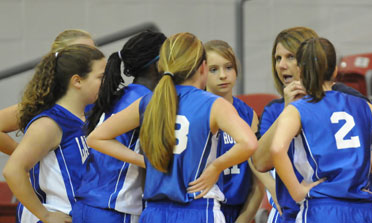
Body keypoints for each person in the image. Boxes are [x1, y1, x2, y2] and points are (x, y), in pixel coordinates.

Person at [87, 32, 258, 222]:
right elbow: (249, 143)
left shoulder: (149, 101)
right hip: (199, 209)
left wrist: (143, 160)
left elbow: (95, 138)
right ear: (203, 67)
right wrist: (216, 167)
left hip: (153, 213)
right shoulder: (213, 104)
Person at [252, 26, 372, 223]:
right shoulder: (275, 109)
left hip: (338, 205)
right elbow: (260, 162)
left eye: (290, 57)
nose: (282, 65)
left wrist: (339, 165)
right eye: (278, 59)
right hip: (292, 211)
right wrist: (288, 108)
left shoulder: (348, 99)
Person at [2, 44, 105, 223]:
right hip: (58, 213)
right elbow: (12, 170)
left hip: (81, 214)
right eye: (100, 77)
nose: (105, 83)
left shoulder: (89, 115)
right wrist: (45, 215)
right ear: (77, 81)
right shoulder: (49, 123)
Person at [72, 31, 166, 223]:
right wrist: (148, 162)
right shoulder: (147, 102)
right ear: (159, 64)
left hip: (85, 206)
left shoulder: (119, 95)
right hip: (114, 208)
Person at [0, 29, 96, 155]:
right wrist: (24, 159)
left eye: (94, 52)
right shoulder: (46, 102)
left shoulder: (97, 96)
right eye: (83, 53)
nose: (93, 58)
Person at [204, 39, 264, 223]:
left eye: (228, 67)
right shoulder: (197, 111)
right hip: (203, 210)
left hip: (239, 213)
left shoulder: (248, 114)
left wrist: (243, 219)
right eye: (214, 69)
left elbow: (258, 182)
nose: (223, 75)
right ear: (201, 71)